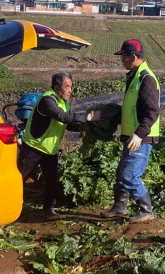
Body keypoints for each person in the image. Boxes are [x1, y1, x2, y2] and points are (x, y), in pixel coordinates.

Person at [19, 72, 104, 219]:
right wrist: (88, 116)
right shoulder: (47, 100)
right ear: (57, 87)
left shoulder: (63, 102)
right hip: (33, 147)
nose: (70, 90)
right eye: (67, 87)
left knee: (52, 181)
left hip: (49, 150)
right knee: (19, 178)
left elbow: (69, 124)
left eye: (71, 87)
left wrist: (87, 128)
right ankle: (7, 208)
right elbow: (63, 117)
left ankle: (49, 210)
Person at [101, 39, 160, 223]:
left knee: (130, 174)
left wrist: (139, 133)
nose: (122, 60)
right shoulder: (134, 75)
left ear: (133, 57)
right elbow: (131, 107)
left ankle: (146, 210)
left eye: (124, 57)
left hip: (141, 138)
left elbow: (152, 111)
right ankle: (120, 206)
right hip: (131, 136)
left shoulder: (146, 78)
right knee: (122, 173)